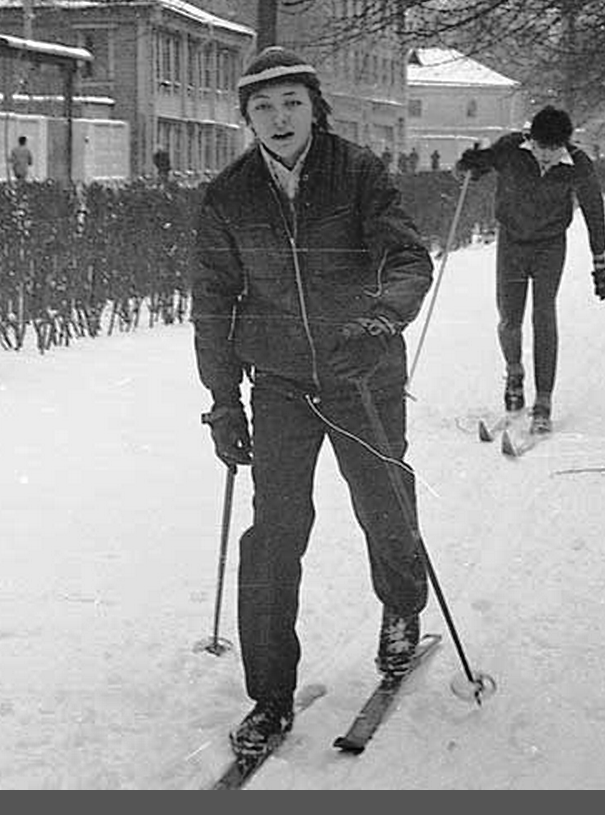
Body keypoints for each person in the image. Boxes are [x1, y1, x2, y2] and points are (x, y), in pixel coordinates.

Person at [192, 46, 435, 760]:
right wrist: (222, 401)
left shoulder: (356, 171)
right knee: (275, 533)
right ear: (246, 117)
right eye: (262, 107)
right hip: (281, 386)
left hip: (361, 372)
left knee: (383, 499)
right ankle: (269, 694)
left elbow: (406, 258)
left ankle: (401, 608)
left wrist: (381, 318)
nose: (278, 118)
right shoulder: (230, 195)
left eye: (291, 102)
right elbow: (212, 301)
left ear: (314, 106)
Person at [456, 106, 605, 436]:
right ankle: (514, 372)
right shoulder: (511, 149)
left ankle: (543, 400)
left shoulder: (578, 165)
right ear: (532, 140)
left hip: (549, 246)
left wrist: (600, 261)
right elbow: (478, 166)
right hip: (512, 243)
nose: (546, 157)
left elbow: (593, 211)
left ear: (565, 145)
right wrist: (469, 165)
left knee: (544, 315)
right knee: (509, 317)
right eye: (541, 148)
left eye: (554, 150)